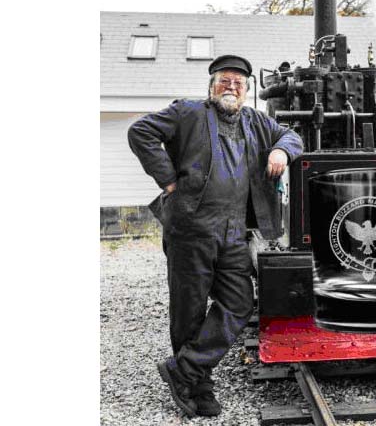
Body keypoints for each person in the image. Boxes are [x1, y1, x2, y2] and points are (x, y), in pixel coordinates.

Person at [128, 54, 303, 416]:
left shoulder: (256, 121)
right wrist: (168, 180)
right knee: (189, 309)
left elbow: (292, 134)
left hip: (234, 229)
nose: (232, 87)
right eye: (225, 81)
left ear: (247, 90)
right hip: (191, 228)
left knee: (240, 302)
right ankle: (198, 387)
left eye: (239, 83)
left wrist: (282, 150)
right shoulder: (187, 112)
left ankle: (186, 369)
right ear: (211, 87)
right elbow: (140, 132)